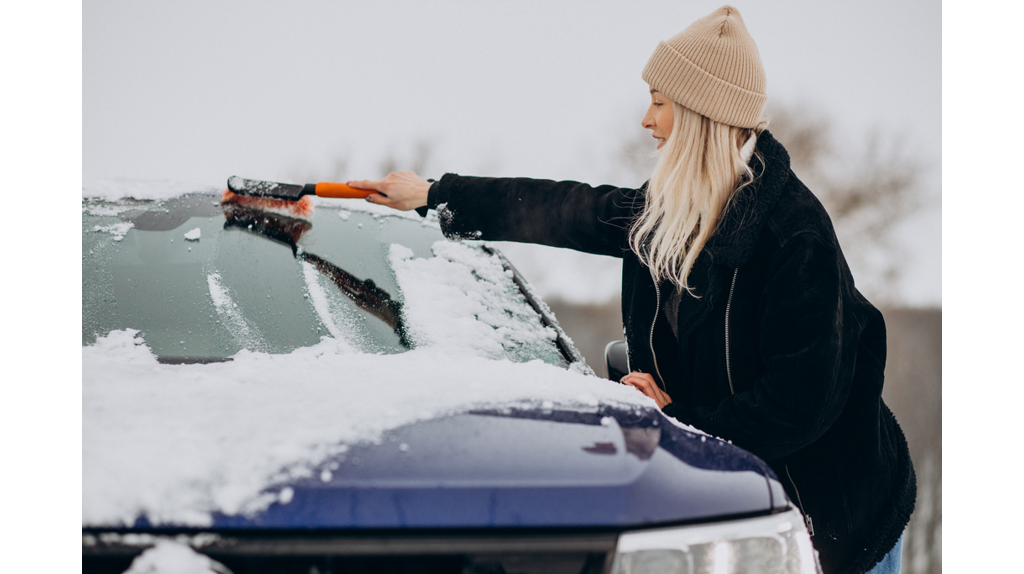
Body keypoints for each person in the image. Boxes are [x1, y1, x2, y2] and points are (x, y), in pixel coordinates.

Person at [348, 6, 915, 574]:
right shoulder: (674, 208)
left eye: (660, 102)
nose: (647, 120)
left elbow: (799, 404)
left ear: (699, 114)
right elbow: (566, 209)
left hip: (839, 517)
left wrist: (677, 419)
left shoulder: (794, 236)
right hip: (741, 508)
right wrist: (434, 193)